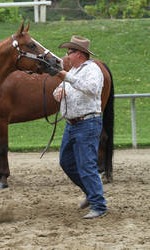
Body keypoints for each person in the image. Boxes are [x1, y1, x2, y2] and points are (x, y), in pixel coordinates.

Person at [53, 36, 107, 219]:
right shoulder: (75, 70)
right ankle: (92, 193)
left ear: (79, 54)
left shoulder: (93, 70)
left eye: (69, 52)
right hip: (72, 124)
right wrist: (58, 92)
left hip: (87, 123)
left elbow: (92, 89)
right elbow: (57, 90)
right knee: (66, 162)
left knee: (86, 165)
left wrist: (67, 77)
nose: (66, 56)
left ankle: (99, 205)